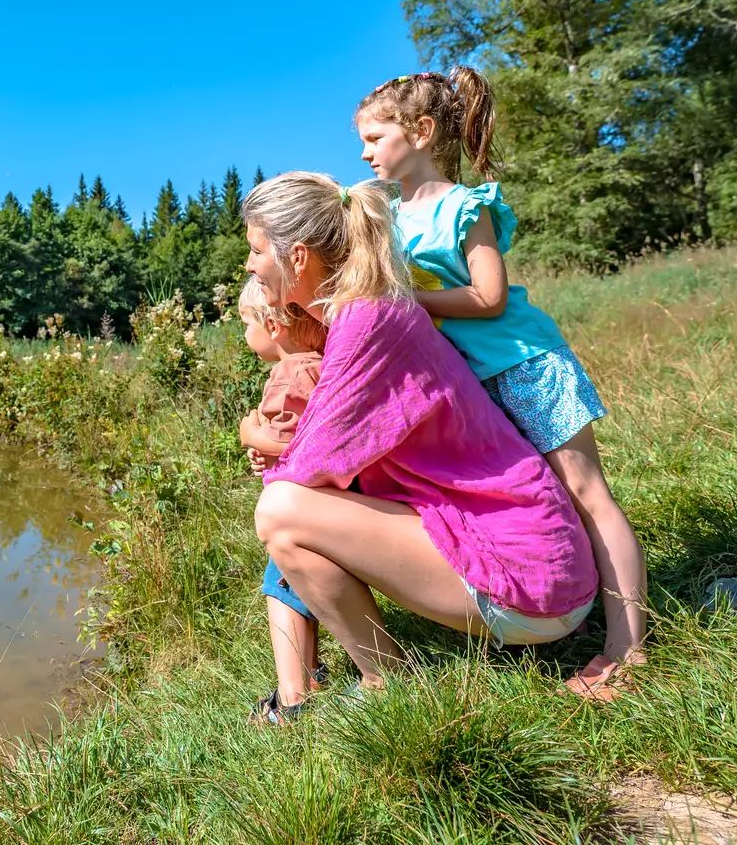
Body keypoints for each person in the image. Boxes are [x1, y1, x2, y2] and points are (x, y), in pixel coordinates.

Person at [353, 68, 650, 701]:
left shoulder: (464, 207)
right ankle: (566, 609)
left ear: (422, 132)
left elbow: (489, 297)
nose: (366, 151)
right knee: (540, 498)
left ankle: (627, 647)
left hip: (524, 365)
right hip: (469, 387)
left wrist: (413, 302)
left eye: (376, 137)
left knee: (586, 491)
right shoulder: (392, 219)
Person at [244, 171, 598, 696]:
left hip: (529, 578)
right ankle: (340, 680)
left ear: (297, 257)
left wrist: (252, 433)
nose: (250, 265)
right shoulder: (371, 312)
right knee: (288, 506)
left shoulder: (367, 321)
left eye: (255, 251)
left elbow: (307, 467)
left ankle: (387, 682)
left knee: (280, 511)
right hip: (540, 567)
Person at [234, 276, 329, 723]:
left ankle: (291, 703)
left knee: (282, 589)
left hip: (303, 507)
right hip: (324, 501)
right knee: (302, 590)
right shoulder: (323, 363)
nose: (243, 333)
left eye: (245, 323)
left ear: (273, 325)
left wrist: (251, 434)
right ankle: (310, 675)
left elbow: (294, 440)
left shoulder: (290, 373)